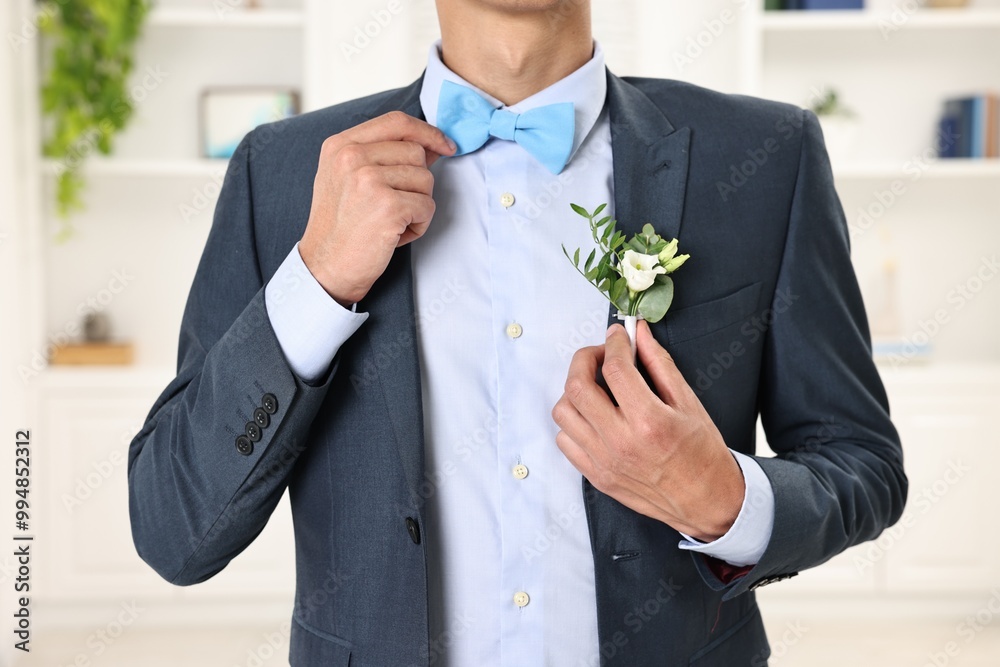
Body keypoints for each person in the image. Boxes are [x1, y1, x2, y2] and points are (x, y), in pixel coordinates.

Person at [127, 0, 907, 664]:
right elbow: (174, 527)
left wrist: (726, 500)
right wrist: (319, 278)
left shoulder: (764, 157)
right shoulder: (284, 171)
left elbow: (862, 463)